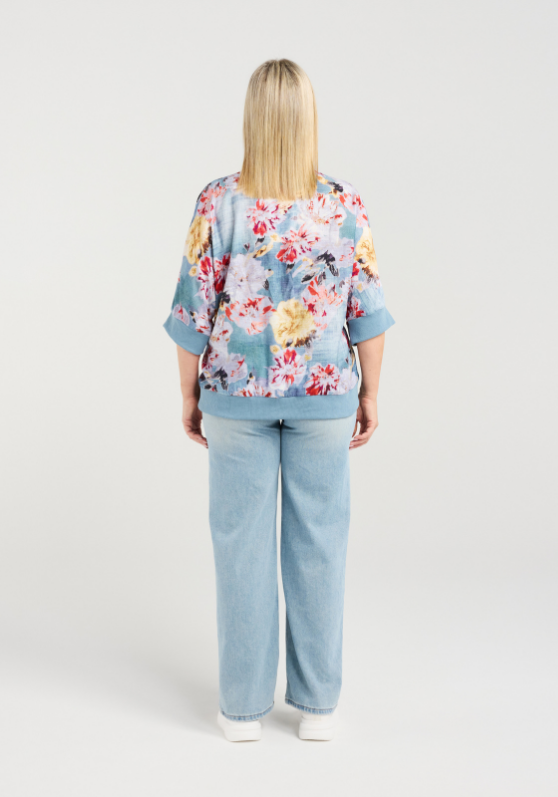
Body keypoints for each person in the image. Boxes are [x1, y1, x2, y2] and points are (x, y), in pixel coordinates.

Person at [163, 59, 395, 742]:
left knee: (240, 548)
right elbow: (368, 310)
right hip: (324, 396)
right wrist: (371, 391)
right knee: (320, 545)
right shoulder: (343, 204)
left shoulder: (218, 202)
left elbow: (193, 307)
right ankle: (319, 707)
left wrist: (188, 393)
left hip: (235, 397)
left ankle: (241, 710)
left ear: (252, 120)